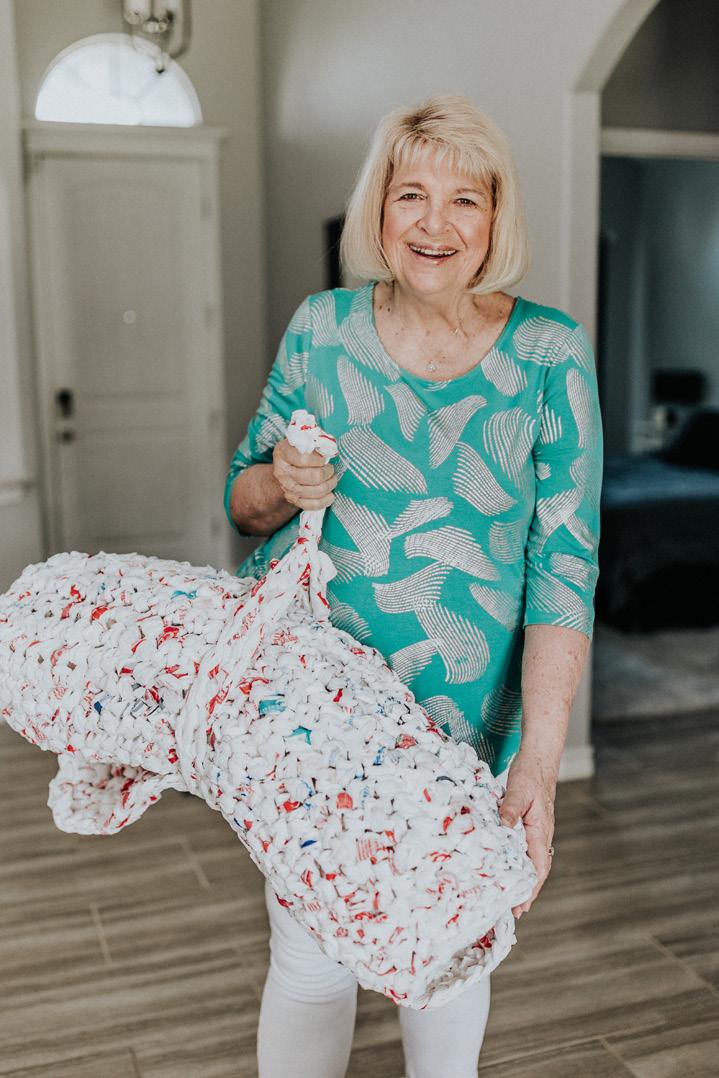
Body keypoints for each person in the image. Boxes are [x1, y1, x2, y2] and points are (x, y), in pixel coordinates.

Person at [224, 94, 603, 1078]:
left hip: (465, 732)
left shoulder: (549, 354)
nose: (435, 224)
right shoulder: (321, 328)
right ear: (379, 209)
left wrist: (540, 760)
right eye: (410, 195)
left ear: (495, 217)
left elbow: (564, 565)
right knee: (309, 960)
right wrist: (280, 479)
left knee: (444, 960)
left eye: (463, 199)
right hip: (315, 712)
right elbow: (242, 501)